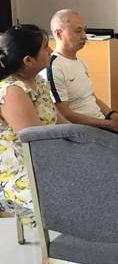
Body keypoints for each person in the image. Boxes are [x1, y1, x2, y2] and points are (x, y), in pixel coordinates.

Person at [0, 24, 67, 226]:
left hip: (46, 160)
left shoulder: (38, 81)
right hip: (20, 171)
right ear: (28, 60)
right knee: (76, 193)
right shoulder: (12, 91)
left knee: (100, 173)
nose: (51, 50)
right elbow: (39, 144)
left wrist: (90, 142)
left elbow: (61, 122)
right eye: (46, 48)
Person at [46, 9, 118, 135]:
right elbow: (65, 114)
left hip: (101, 123)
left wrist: (112, 115)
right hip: (84, 132)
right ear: (58, 34)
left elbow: (91, 97)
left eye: (84, 30)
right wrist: (109, 124)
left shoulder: (80, 61)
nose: (84, 36)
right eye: (78, 31)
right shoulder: (54, 68)